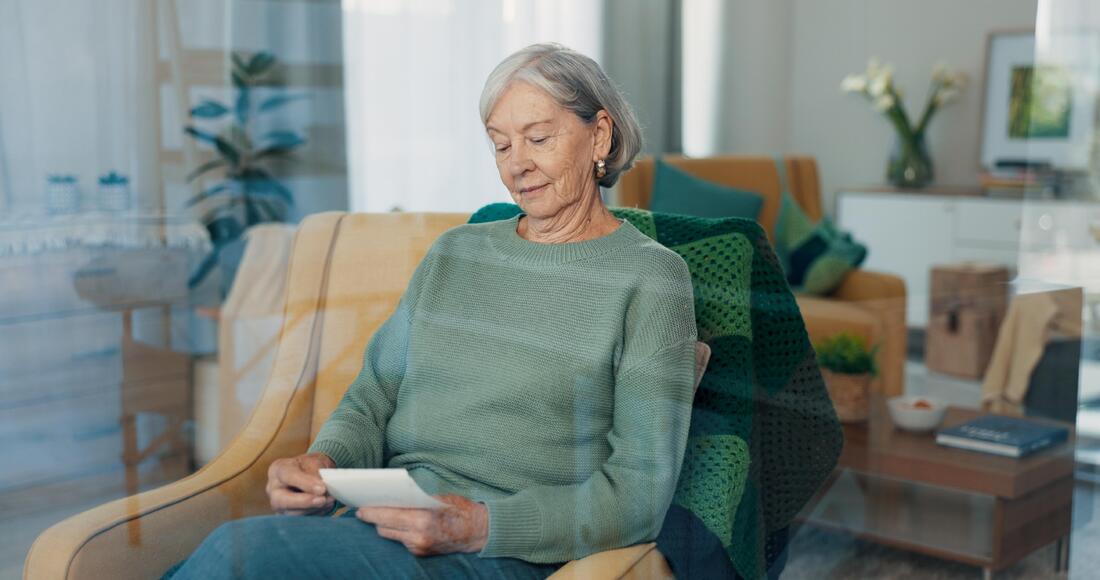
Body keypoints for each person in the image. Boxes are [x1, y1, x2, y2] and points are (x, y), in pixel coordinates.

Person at [168, 43, 718, 579]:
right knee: (234, 557)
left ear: (599, 134)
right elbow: (373, 396)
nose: (518, 165)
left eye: (539, 138)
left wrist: (476, 525)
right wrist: (326, 463)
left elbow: (639, 494)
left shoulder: (651, 277)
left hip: (499, 549)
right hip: (385, 522)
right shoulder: (456, 253)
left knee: (240, 554)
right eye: (501, 146)